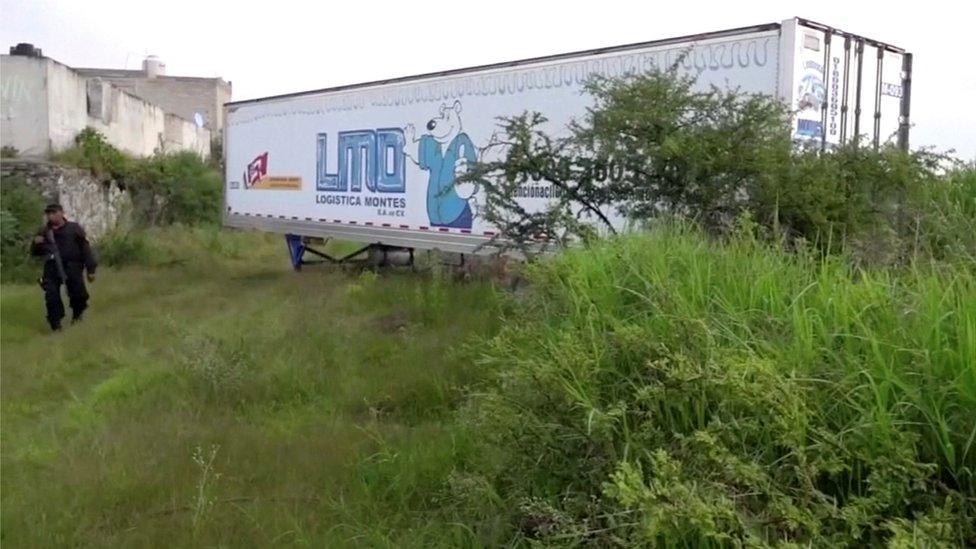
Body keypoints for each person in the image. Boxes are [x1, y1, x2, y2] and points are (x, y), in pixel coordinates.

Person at [30, 204, 97, 331]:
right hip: (52, 268)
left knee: (78, 294)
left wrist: (91, 269)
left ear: (61, 213)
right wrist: (36, 244)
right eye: (48, 213)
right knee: (51, 296)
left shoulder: (73, 228)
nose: (51, 216)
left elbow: (85, 249)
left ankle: (77, 315)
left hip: (72, 266)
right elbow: (35, 252)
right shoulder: (44, 231)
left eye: (53, 212)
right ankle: (56, 325)